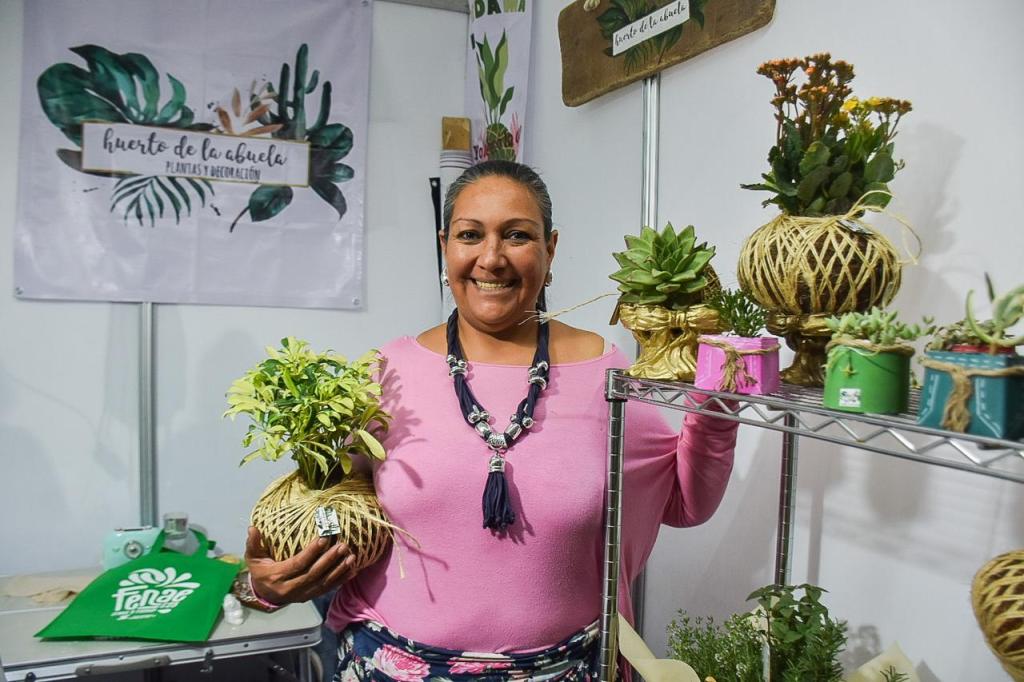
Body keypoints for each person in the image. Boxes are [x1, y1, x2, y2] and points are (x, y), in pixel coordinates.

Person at [243, 160, 740, 680]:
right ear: (445, 246)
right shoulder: (392, 370)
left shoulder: (606, 371)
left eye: (518, 235)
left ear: (551, 249)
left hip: (563, 670)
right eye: (470, 235)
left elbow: (684, 502)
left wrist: (715, 399)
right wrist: (272, 581)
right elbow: (337, 501)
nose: (492, 258)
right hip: (389, 665)